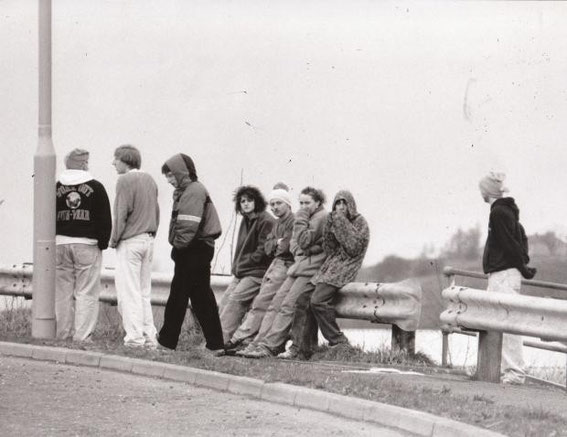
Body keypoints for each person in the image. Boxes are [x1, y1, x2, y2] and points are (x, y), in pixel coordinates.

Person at [240, 186, 328, 359]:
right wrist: (303, 248)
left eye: (307, 203)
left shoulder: (320, 217)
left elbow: (303, 240)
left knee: (288, 305)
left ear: (318, 202)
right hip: (299, 265)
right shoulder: (307, 217)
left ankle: (271, 346)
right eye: (301, 203)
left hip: (310, 269)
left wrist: (303, 237)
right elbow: (294, 245)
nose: (303, 206)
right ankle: (260, 343)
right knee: (276, 303)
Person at [157, 153, 225, 355]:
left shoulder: (192, 191)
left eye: (170, 175)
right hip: (198, 248)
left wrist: (178, 247)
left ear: (180, 173)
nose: (168, 180)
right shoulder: (191, 189)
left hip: (192, 249)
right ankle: (215, 344)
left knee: (178, 296)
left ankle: (166, 343)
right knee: (201, 298)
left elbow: (187, 225)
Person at [295, 190, 370, 358]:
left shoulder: (360, 222)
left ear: (351, 204)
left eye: (344, 203)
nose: (341, 207)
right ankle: (304, 348)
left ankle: (338, 341)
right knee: (303, 299)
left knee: (317, 301)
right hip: (330, 266)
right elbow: (329, 249)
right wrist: (330, 226)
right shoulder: (334, 218)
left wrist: (341, 222)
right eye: (338, 203)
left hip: (346, 267)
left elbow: (353, 249)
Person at [479, 172, 536, 385]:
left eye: (482, 189)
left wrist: (523, 266)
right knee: (505, 322)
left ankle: (513, 373)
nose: (481, 193)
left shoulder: (498, 213)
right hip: (507, 274)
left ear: (488, 191)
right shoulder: (507, 212)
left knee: (506, 323)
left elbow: (509, 244)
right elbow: (520, 238)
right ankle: (509, 371)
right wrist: (523, 264)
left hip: (503, 275)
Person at [224, 186, 295, 353]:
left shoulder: (279, 221)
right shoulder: (275, 222)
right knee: (242, 302)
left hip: (271, 268)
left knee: (261, 304)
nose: (275, 207)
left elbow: (280, 248)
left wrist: (275, 244)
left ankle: (237, 340)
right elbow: (270, 246)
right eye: (273, 204)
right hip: (267, 267)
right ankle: (244, 341)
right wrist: (275, 243)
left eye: (279, 203)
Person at [55, 148, 112, 341]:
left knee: (63, 292)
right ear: (84, 164)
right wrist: (102, 243)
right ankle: (82, 336)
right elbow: (105, 218)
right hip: (87, 244)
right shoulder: (96, 186)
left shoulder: (56, 187)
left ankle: (61, 333)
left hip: (60, 243)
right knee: (86, 292)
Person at [110, 145, 160, 348]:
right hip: (148, 239)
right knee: (143, 292)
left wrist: (114, 239)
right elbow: (156, 211)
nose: (113, 163)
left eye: (116, 159)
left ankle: (134, 338)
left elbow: (121, 213)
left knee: (128, 292)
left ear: (125, 160)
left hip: (130, 241)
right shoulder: (150, 179)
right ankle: (149, 336)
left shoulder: (124, 180)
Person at [218, 185, 275, 343]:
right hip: (243, 271)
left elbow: (263, 250)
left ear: (257, 201)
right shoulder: (246, 220)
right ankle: (216, 339)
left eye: (250, 200)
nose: (246, 204)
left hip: (257, 272)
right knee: (225, 301)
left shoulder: (266, 220)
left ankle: (219, 341)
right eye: (242, 201)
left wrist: (246, 262)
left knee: (235, 302)